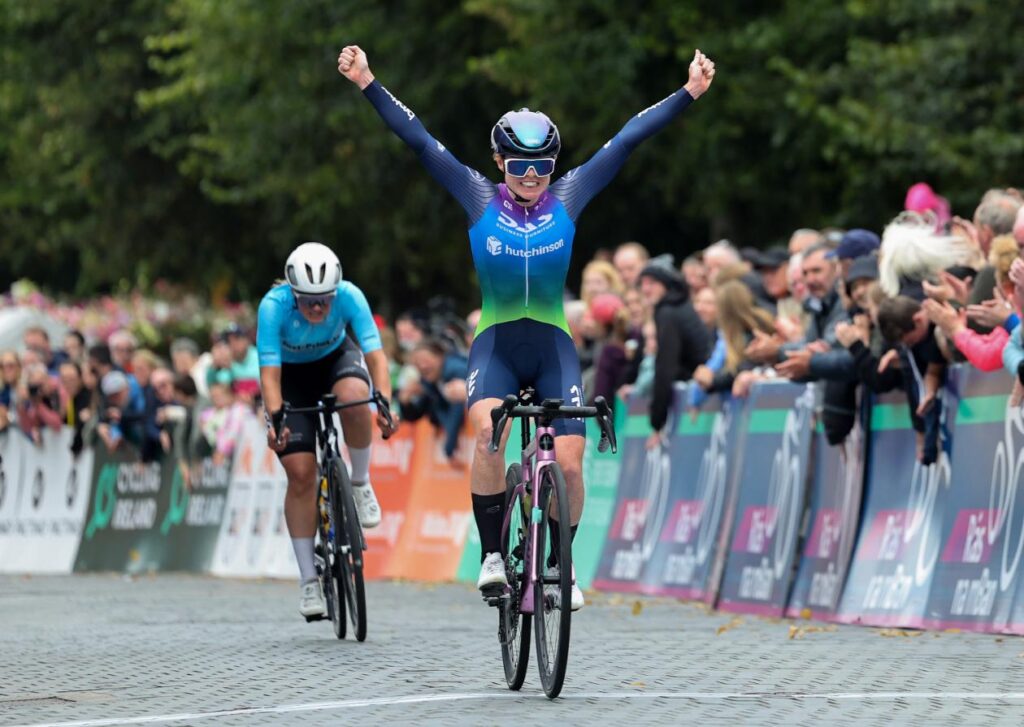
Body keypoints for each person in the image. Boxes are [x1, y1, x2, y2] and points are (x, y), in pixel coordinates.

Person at [340, 42, 715, 609]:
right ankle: (493, 556)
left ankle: (562, 566)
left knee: (568, 460)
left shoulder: (570, 194)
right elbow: (416, 138)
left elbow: (629, 138)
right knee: (490, 435)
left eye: (542, 166)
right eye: (521, 166)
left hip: (552, 348)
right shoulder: (475, 195)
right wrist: (368, 80)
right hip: (496, 347)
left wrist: (688, 93)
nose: (534, 176)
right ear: (500, 164)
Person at [258, 241, 395, 619]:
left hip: (336, 360)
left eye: (325, 300)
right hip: (290, 378)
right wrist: (276, 419)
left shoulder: (351, 296)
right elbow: (269, 375)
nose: (317, 308)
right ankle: (308, 581)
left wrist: (383, 401)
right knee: (301, 474)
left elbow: (376, 356)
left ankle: (360, 482)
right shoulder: (273, 306)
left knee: (356, 394)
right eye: (308, 301)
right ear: (292, 293)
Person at [638, 255, 711, 444]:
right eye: (643, 283)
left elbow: (665, 365)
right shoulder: (677, 306)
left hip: (703, 386)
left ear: (666, 284)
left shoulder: (668, 312)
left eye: (652, 283)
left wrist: (656, 422)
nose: (645, 289)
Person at [397, 339, 469, 459]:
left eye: (425, 360)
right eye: (416, 363)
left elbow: (457, 408)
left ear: (440, 357)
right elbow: (416, 414)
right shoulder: (429, 382)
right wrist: (405, 402)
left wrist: (449, 446)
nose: (422, 366)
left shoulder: (457, 370)